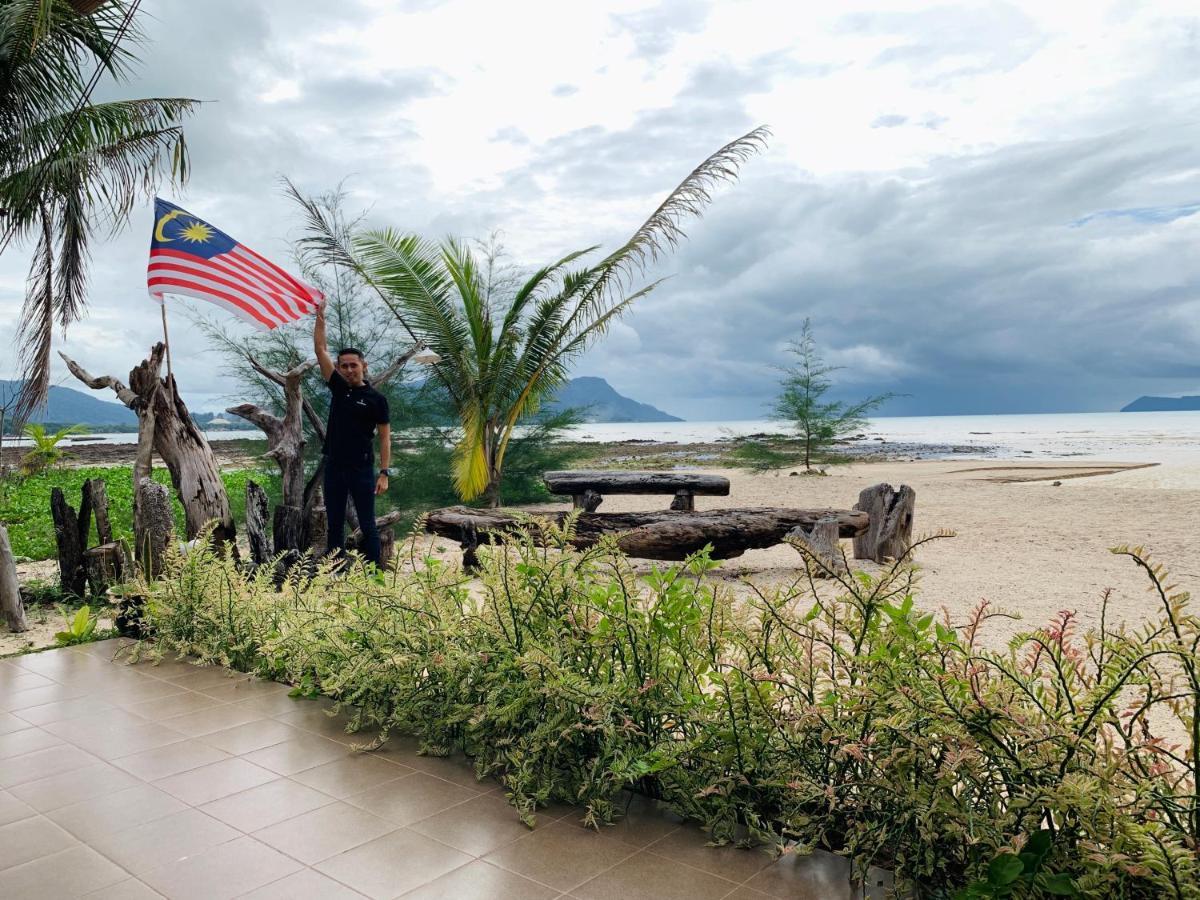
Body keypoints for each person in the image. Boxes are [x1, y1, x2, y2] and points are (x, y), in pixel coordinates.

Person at [313, 300, 392, 567]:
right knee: (334, 524)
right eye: (343, 365)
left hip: (361, 468)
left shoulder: (375, 399)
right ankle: (336, 572)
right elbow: (320, 349)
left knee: (367, 524)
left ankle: (373, 576)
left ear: (363, 366)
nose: (348, 370)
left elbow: (384, 438)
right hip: (334, 466)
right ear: (339, 367)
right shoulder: (338, 388)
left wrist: (384, 473)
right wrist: (320, 319)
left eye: (353, 365)